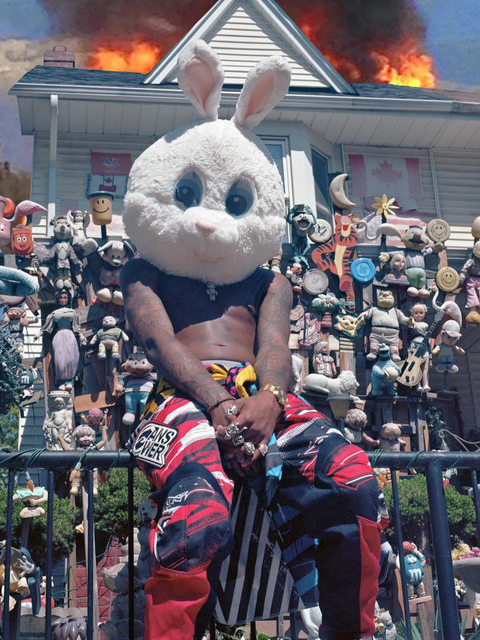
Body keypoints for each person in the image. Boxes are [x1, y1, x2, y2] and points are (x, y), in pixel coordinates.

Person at [120, 39, 382, 640]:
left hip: (263, 397)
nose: (211, 218)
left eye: (235, 202)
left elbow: (274, 349)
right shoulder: (143, 271)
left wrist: (268, 399)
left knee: (354, 480)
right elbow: (159, 344)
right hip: (177, 402)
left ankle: (352, 631)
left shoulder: (271, 282)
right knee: (196, 516)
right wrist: (218, 405)